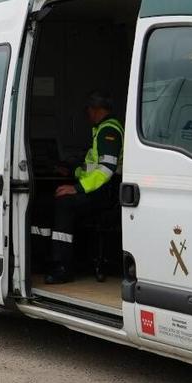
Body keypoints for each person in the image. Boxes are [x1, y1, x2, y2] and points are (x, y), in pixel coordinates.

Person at [45, 92, 123, 284]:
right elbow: (91, 168)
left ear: (97, 110)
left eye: (88, 109)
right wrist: (72, 172)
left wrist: (77, 188)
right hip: (98, 189)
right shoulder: (100, 130)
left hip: (106, 193)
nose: (87, 114)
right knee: (51, 200)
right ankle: (48, 258)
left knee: (64, 204)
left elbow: (106, 170)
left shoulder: (108, 131)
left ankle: (63, 267)